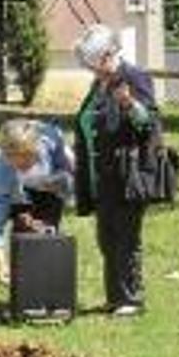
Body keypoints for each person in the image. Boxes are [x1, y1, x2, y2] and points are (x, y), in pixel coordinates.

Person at [73, 24, 159, 317]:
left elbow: (149, 124)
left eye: (94, 63)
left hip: (127, 173)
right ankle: (115, 297)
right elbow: (89, 121)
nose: (92, 70)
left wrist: (130, 104)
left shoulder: (133, 77)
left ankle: (131, 300)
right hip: (102, 174)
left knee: (126, 237)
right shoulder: (99, 83)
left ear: (109, 53)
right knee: (107, 237)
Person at [0, 119, 75, 285]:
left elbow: (73, 183)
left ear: (36, 148)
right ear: (6, 154)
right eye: (15, 159)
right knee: (23, 231)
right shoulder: (0, 167)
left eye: (27, 157)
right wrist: (0, 264)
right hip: (17, 196)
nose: (21, 162)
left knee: (45, 236)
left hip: (51, 190)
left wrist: (54, 183)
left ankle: (46, 290)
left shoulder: (53, 142)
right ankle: (24, 291)